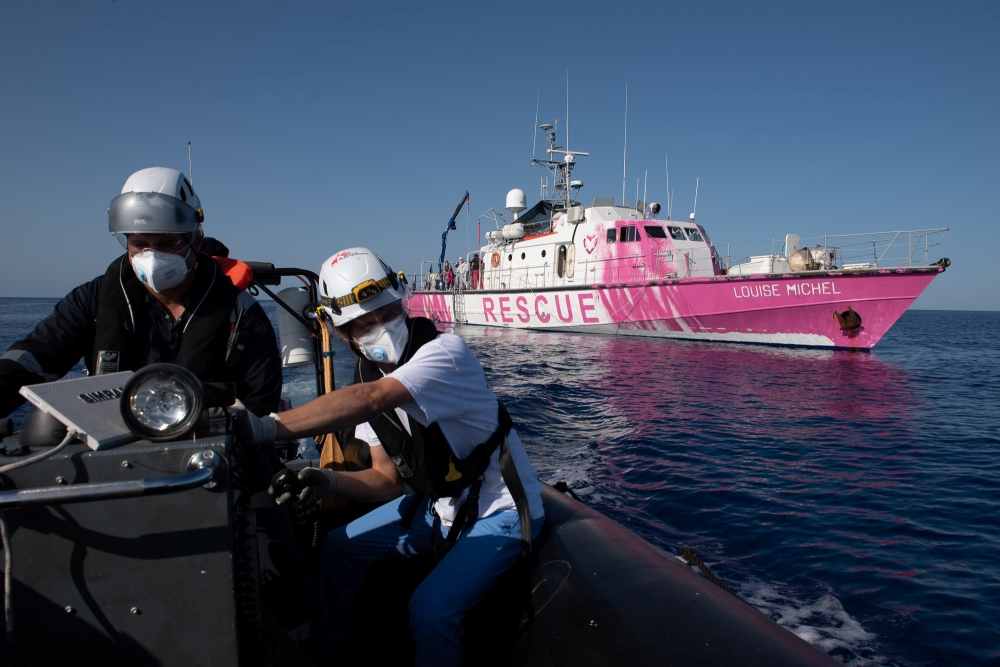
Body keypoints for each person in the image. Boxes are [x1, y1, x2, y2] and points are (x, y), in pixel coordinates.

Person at [232, 247, 545, 667]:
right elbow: (387, 480)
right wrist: (325, 481)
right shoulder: (367, 375)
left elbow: (371, 399)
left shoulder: (444, 354)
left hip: (500, 511)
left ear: (402, 304)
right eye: (363, 323)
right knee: (338, 548)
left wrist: (266, 427)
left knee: (431, 611)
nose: (381, 327)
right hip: (440, 507)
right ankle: (327, 654)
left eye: (387, 313)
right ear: (343, 335)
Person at [0, 167, 282, 417]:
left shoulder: (241, 312)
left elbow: (260, 400)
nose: (152, 255)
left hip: (208, 443)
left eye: (167, 243)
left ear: (196, 240)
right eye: (139, 243)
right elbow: (35, 355)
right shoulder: (93, 300)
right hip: (112, 443)